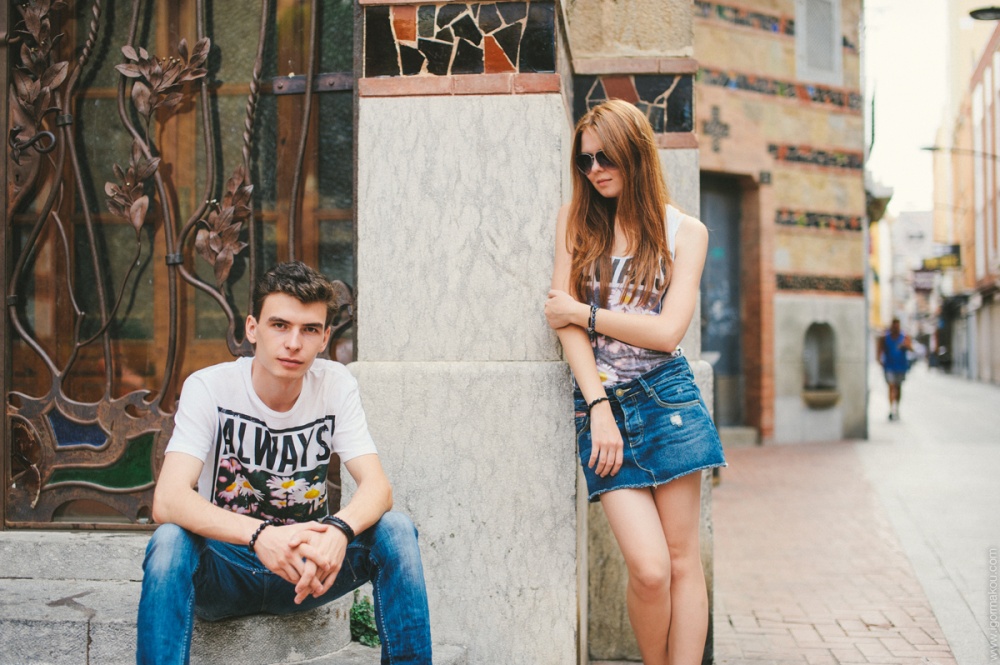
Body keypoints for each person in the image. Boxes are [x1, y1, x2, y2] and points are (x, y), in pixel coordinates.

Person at [137, 261, 432, 665]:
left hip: (306, 573)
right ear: (252, 328)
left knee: (395, 530)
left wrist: (340, 530)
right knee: (170, 540)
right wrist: (261, 535)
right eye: (280, 325)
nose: (294, 343)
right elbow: (169, 499)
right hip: (226, 569)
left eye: (309, 329)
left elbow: (378, 488)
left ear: (324, 338)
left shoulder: (335, 384)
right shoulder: (209, 387)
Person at [544, 99, 727, 665]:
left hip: (668, 400)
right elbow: (561, 323)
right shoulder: (575, 220)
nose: (595, 170)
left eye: (605, 157)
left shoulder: (686, 232)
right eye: (585, 161)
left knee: (682, 561)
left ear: (636, 153)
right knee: (649, 569)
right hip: (604, 408)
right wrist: (597, 405)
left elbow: (668, 332)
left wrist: (586, 312)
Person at [877, 317, 912, 421]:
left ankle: (897, 407)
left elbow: (911, 348)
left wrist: (905, 346)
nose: (895, 328)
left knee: (898, 387)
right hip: (889, 366)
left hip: (901, 366)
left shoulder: (904, 337)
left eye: (897, 326)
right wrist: (879, 360)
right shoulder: (885, 337)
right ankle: (891, 408)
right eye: (894, 326)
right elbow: (880, 349)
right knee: (891, 387)